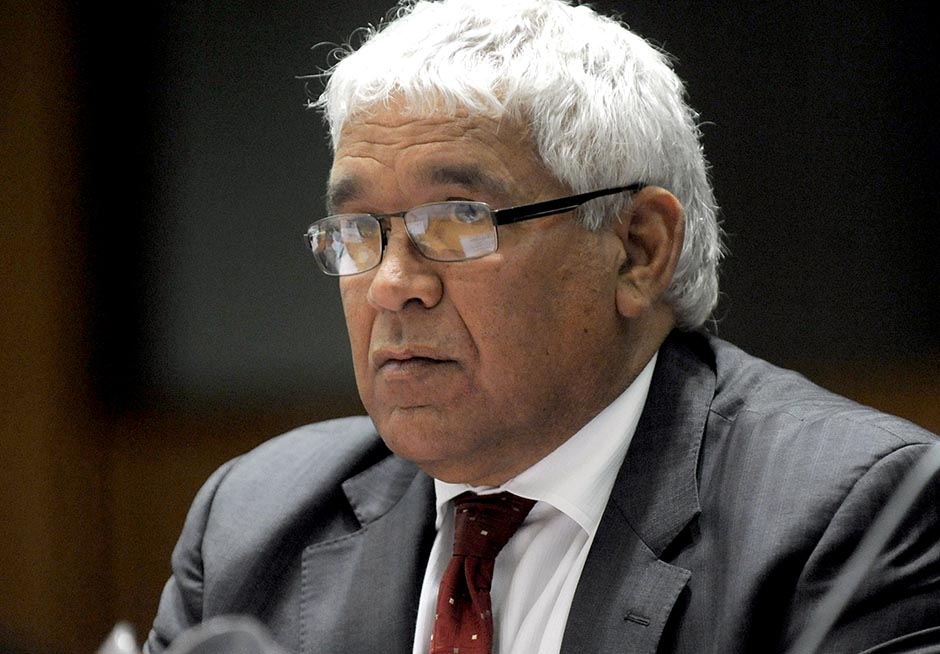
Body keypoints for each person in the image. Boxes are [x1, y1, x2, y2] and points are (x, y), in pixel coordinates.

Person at [144, 1, 940, 652]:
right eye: (359, 230)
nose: (390, 285)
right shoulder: (253, 525)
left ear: (637, 250)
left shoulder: (852, 520)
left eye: (458, 220)